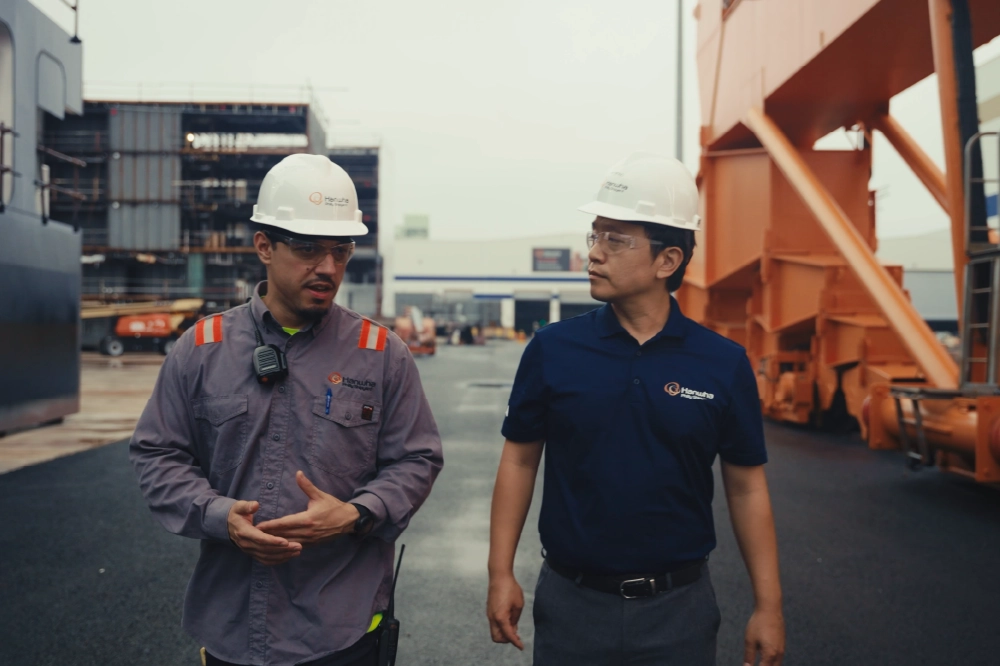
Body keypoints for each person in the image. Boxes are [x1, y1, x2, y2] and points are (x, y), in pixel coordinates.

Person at [130, 154, 443, 666]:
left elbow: (417, 460)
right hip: (233, 627)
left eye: (341, 251)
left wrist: (355, 513)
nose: (327, 267)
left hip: (342, 631)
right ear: (264, 247)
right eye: (306, 249)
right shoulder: (202, 348)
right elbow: (157, 454)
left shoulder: (382, 354)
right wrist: (219, 515)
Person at [486, 152, 784, 666]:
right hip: (571, 605)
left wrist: (769, 606)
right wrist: (500, 573)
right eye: (594, 235)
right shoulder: (553, 350)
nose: (594, 254)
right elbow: (519, 461)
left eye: (615, 240)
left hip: (680, 611)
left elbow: (746, 486)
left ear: (667, 261)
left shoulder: (722, 364)